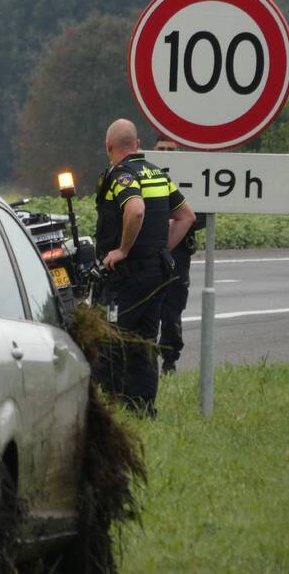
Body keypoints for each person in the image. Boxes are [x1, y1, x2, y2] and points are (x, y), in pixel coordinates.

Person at [93, 119, 196, 416]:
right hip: (156, 273)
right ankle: (142, 408)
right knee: (145, 340)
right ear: (137, 144)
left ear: (108, 147)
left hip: (127, 275)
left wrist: (122, 250)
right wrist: (162, 249)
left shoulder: (122, 175)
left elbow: (135, 209)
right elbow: (186, 216)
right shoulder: (156, 173)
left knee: (108, 338)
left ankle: (107, 408)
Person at [152, 135, 206, 375]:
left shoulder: (192, 177)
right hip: (148, 252)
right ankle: (145, 356)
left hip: (179, 254)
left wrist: (179, 221)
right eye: (161, 149)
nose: (166, 153)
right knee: (146, 306)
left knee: (172, 310)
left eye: (170, 149)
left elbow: (202, 215)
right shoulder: (144, 174)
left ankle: (170, 359)